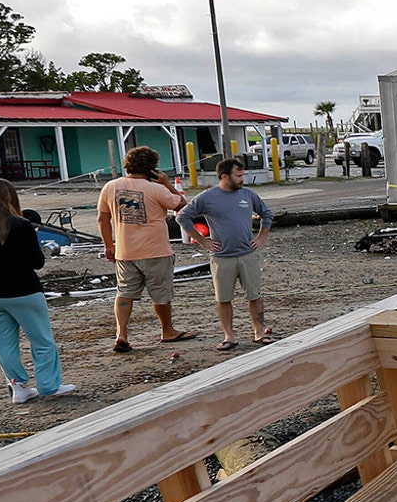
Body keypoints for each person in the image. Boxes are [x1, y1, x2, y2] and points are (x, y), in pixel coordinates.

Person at [0, 179, 75, 402]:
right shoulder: (21, 226)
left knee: (3, 344)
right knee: (41, 340)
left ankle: (18, 387)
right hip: (24, 290)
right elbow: (36, 262)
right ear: (12, 198)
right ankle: (49, 386)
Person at [98, 145, 195, 352]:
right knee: (160, 294)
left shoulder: (110, 187)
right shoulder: (156, 189)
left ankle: (121, 334)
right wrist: (168, 184)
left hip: (125, 250)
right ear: (152, 168)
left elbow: (103, 218)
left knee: (124, 293)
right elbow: (183, 205)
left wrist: (109, 245)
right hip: (155, 250)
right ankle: (167, 330)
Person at [179, 157, 276, 350]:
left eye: (242, 175)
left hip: (248, 254)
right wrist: (202, 240)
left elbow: (267, 214)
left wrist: (261, 237)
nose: (243, 179)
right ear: (224, 176)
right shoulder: (207, 197)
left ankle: (259, 332)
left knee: (254, 295)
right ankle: (229, 336)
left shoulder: (248, 194)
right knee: (223, 298)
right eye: (238, 176)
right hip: (222, 257)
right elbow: (182, 217)